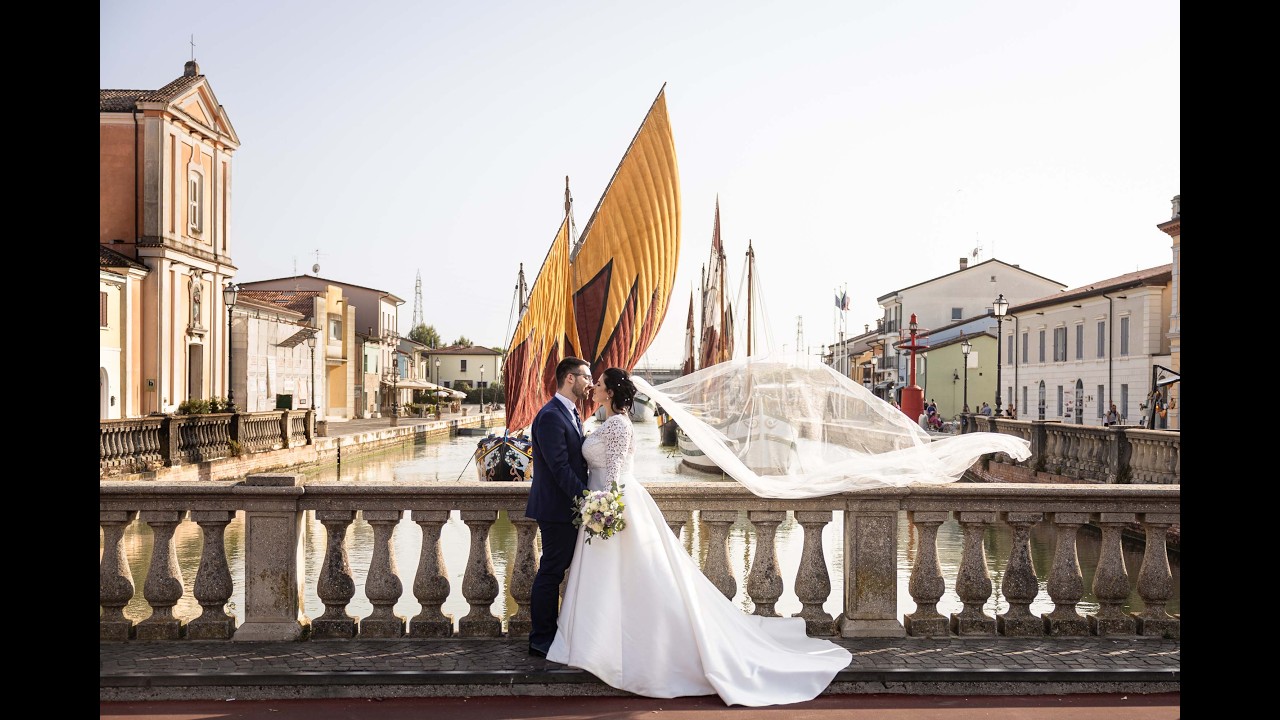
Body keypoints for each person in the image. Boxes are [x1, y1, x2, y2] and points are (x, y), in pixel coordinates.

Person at [547, 368, 852, 706]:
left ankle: (610, 649)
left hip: (613, 505)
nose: (594, 386)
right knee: (610, 579)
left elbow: (615, 474)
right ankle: (597, 645)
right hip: (602, 504)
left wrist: (604, 508)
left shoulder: (618, 424)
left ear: (611, 392)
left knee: (627, 578)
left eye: (600, 384)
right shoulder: (606, 421)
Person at [525, 357, 593, 658]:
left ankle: (554, 634)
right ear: (570, 378)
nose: (590, 383)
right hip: (556, 509)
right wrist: (587, 499)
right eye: (586, 377)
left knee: (557, 570)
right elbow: (560, 468)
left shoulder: (570, 412)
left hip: (567, 508)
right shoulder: (551, 416)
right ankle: (541, 639)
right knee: (551, 572)